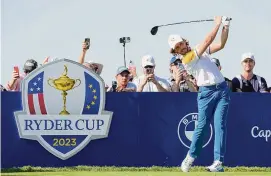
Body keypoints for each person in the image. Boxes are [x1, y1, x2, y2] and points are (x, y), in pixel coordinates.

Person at [168, 16, 230, 172]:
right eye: (177, 48)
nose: (180, 47)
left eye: (180, 43)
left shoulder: (198, 50)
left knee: (220, 125)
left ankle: (218, 162)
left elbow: (221, 44)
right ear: (176, 52)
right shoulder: (186, 59)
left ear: (184, 41)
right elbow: (208, 40)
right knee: (202, 127)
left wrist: (225, 27)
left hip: (222, 89)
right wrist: (217, 23)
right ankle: (190, 157)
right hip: (206, 93)